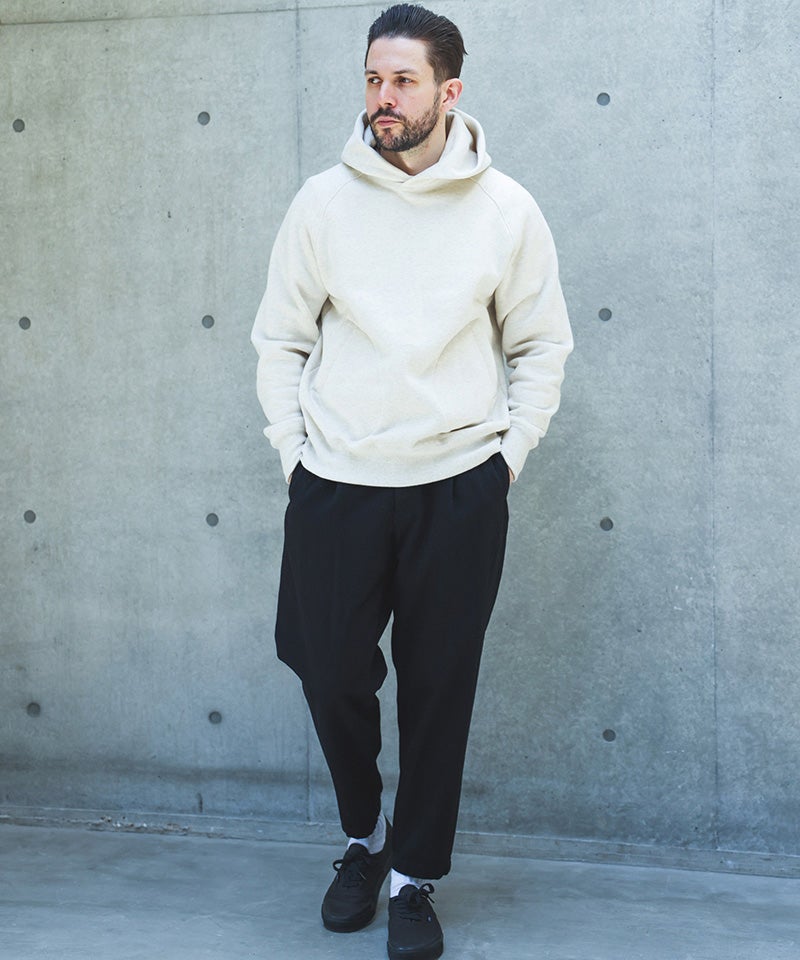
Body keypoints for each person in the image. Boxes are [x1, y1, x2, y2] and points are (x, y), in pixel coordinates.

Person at [251, 4, 572, 958]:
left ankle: (412, 877)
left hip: (459, 484)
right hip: (337, 479)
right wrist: (294, 452)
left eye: (402, 80)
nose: (382, 97)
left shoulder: (505, 209)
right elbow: (280, 339)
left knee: (440, 688)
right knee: (326, 668)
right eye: (372, 79)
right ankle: (364, 837)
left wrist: (505, 461)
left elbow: (540, 345)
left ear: (449, 91)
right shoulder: (321, 203)